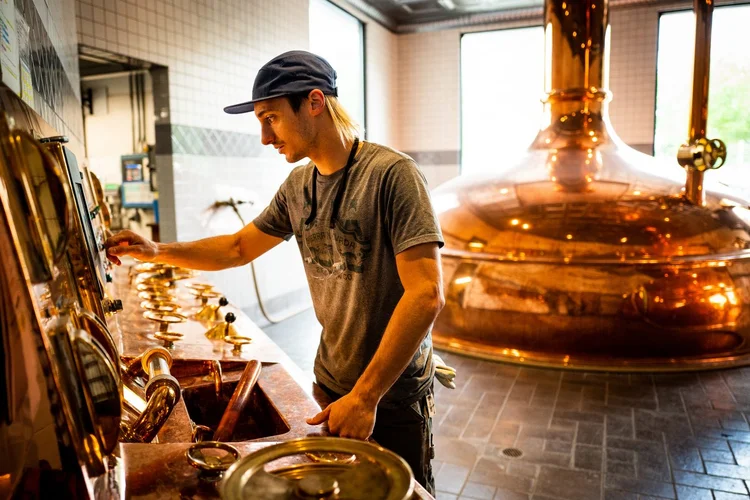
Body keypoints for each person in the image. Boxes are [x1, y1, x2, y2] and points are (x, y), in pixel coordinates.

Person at [104, 50, 444, 493]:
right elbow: (238, 246)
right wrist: (156, 251)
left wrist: (366, 396)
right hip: (331, 381)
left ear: (315, 102)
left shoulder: (392, 176)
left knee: (402, 491)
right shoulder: (299, 186)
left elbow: (426, 294)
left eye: (271, 118)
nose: (265, 137)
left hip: (392, 393)